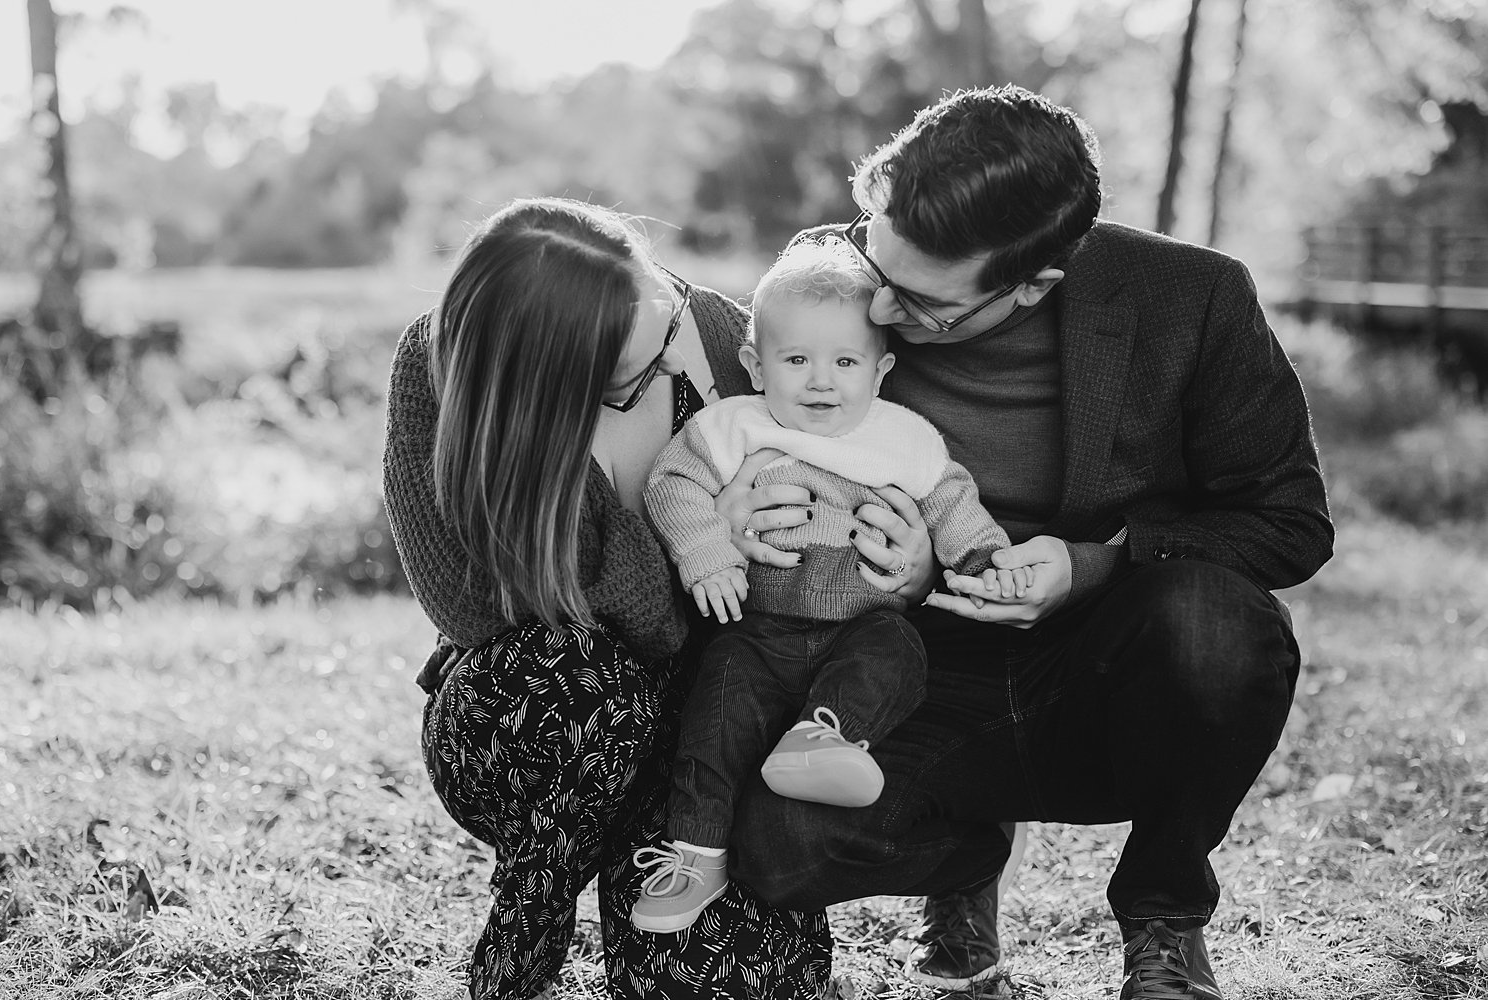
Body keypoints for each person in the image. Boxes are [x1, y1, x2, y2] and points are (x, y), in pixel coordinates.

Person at [719, 85, 1334, 999]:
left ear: (1033, 284)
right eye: (873, 260)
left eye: (921, 304)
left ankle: (1165, 919)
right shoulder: (834, 282)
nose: (876, 310)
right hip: (908, 668)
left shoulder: (1192, 299)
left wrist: (1096, 568)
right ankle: (963, 863)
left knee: (1215, 622)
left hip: (1101, 669)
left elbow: (1289, 521)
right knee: (780, 847)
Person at [381, 196, 836, 999]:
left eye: (665, 329)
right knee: (583, 677)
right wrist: (694, 539)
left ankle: (664, 882)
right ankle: (526, 934)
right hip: (539, 728)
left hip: (704, 735)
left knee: (724, 984)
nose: (667, 366)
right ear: (544, 389)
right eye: (626, 384)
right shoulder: (446, 364)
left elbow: (800, 569)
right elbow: (476, 609)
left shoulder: (731, 340)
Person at [628, 239, 1024, 935]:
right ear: (755, 364)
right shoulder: (733, 427)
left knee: (894, 652)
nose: (821, 382)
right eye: (796, 360)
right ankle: (696, 851)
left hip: (858, 625)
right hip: (758, 630)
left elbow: (951, 503)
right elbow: (674, 487)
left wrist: (984, 560)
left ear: (881, 370)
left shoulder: (902, 439)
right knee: (714, 715)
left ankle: (826, 739)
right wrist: (708, 553)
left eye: (846, 362)